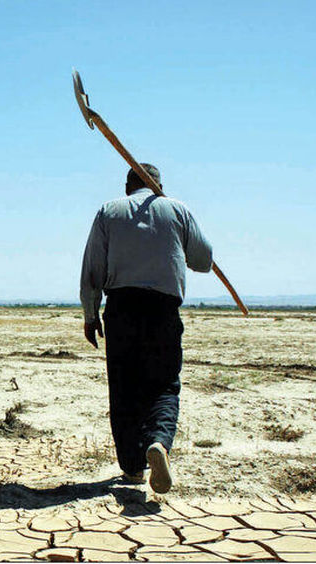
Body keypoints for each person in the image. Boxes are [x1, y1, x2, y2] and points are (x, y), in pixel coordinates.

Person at [79, 163, 212, 494]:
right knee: (164, 386)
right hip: (163, 310)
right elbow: (204, 261)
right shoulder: (177, 210)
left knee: (124, 390)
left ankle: (133, 468)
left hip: (121, 309)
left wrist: (90, 314)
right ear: (158, 185)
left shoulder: (109, 211)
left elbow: (93, 268)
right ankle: (159, 443)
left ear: (128, 186)